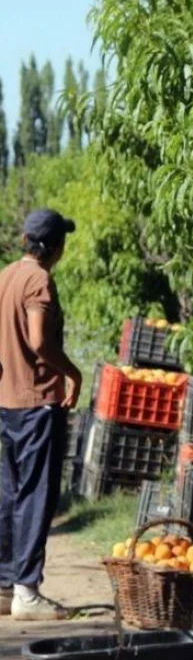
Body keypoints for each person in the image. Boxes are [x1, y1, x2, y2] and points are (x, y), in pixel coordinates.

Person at [0, 208, 82, 620]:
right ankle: (27, 592)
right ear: (55, 247)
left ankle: (4, 584)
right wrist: (73, 373)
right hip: (36, 403)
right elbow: (38, 341)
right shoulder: (38, 280)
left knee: (10, 491)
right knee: (35, 496)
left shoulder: (5, 276)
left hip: (7, 402)